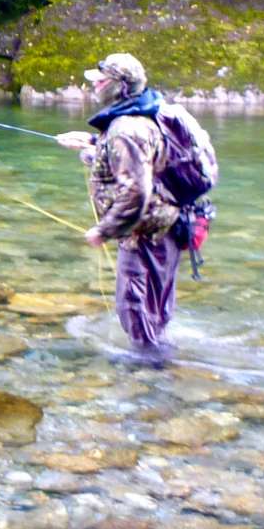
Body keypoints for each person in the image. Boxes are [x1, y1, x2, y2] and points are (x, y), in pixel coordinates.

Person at [54, 53, 184, 364]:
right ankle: (158, 360)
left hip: (144, 233)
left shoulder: (126, 129)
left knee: (134, 307)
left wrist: (104, 229)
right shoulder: (146, 112)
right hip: (165, 226)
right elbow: (139, 160)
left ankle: (149, 376)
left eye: (101, 80)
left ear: (120, 86)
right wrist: (90, 142)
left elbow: (136, 192)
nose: (94, 85)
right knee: (156, 307)